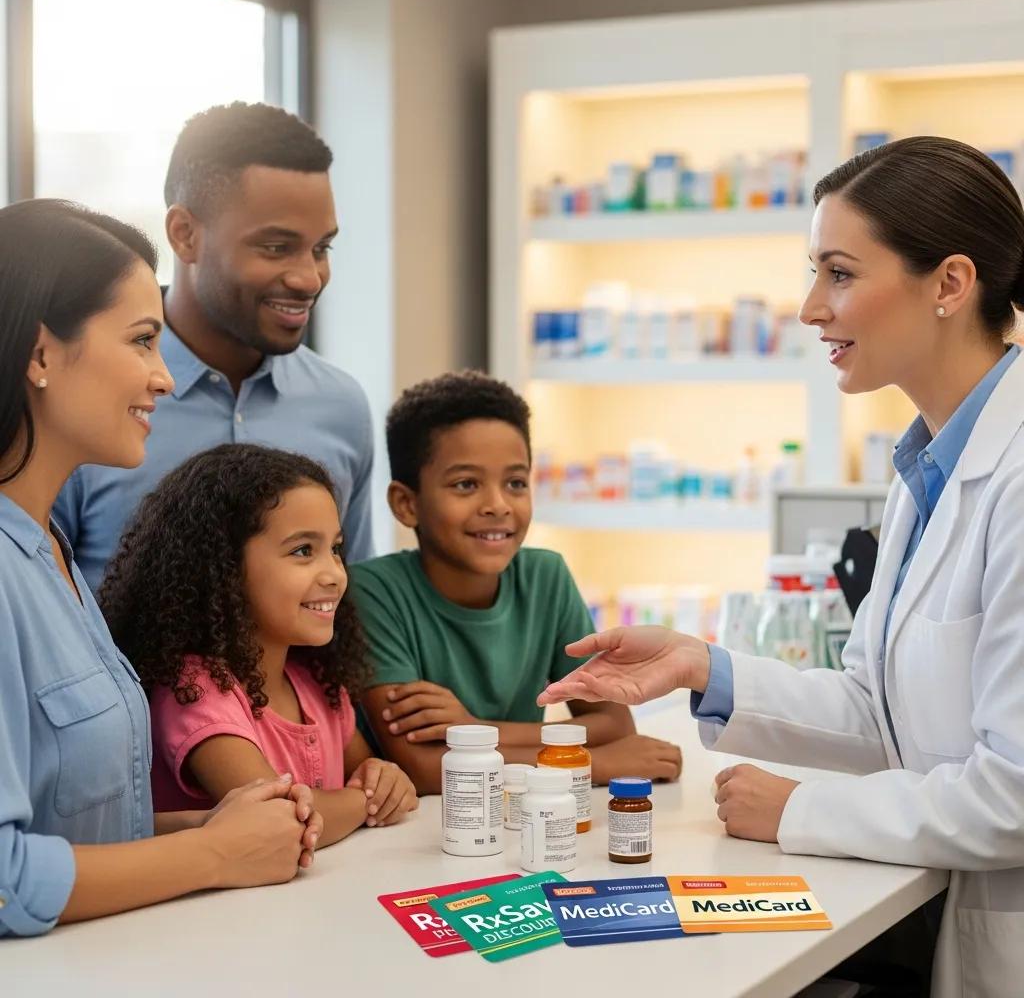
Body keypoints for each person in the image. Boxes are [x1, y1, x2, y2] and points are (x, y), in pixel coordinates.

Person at [539, 136, 1024, 998]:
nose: (808, 308)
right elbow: (886, 716)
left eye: (839, 273)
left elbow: (1015, 795)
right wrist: (705, 667)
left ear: (951, 284)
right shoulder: (928, 468)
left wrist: (798, 810)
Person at [0, 200, 321, 938]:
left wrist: (224, 827)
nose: (164, 378)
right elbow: (8, 881)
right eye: (143, 341)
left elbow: (71, 824)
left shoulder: (49, 553)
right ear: (41, 354)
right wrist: (213, 853)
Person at [53, 102, 374, 595]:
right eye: (275, 247)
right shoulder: (86, 401)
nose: (309, 277)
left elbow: (349, 607)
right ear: (185, 235)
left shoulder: (341, 407)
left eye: (321, 248)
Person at [349, 370, 682, 794]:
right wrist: (589, 764)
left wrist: (473, 730)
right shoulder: (372, 592)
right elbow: (424, 767)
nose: (497, 505)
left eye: (516, 483)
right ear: (406, 503)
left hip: (514, 820)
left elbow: (614, 722)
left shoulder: (547, 576)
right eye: (466, 484)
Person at [101, 444, 419, 843]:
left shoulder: (319, 683)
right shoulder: (195, 689)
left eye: (335, 549)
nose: (335, 574)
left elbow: (374, 778)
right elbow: (282, 821)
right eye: (304, 550)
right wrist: (363, 802)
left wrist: (384, 779)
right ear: (224, 568)